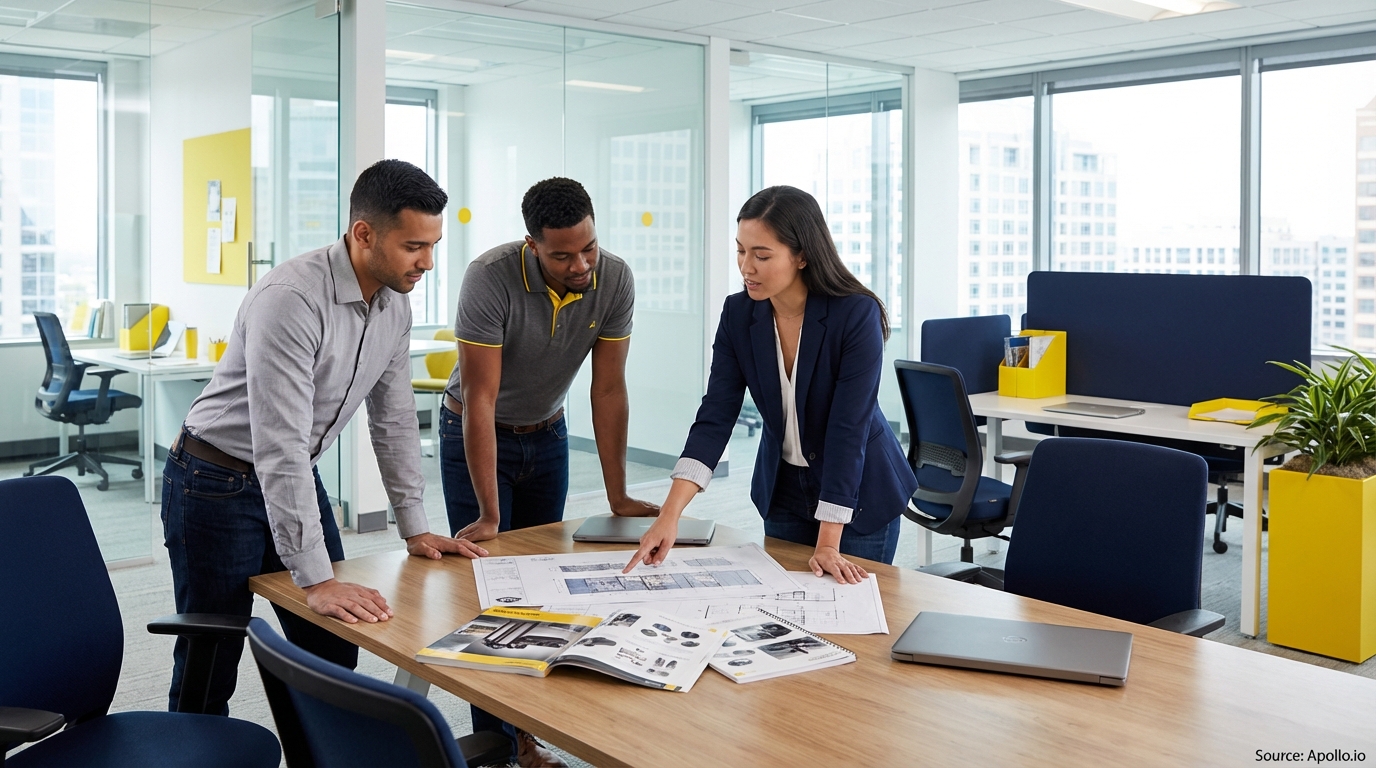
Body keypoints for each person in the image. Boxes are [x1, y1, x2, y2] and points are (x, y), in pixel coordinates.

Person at [163, 159, 486, 716]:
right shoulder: (291, 298)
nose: (428, 263)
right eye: (414, 246)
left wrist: (415, 526)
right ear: (364, 234)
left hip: (292, 472)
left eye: (432, 246)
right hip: (213, 479)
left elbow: (394, 419)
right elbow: (279, 442)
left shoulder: (395, 303)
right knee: (211, 654)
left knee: (333, 642)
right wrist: (315, 580)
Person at [442, 177, 657, 767]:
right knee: (489, 593)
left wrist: (618, 494)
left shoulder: (613, 278)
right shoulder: (490, 279)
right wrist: (488, 514)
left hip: (549, 434)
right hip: (476, 432)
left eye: (587, 246)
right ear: (531, 244)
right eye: (562, 254)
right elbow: (481, 401)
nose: (580, 262)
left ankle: (528, 736)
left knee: (542, 589)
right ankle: (502, 748)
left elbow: (608, 387)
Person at [625, 185, 918, 583]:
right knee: (787, 613)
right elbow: (716, 415)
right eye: (741, 251)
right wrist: (669, 515)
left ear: (802, 255)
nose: (746, 267)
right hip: (783, 491)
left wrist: (829, 541)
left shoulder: (855, 315)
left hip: (860, 493)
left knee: (853, 617)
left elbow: (849, 429)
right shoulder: (738, 313)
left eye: (762, 255)